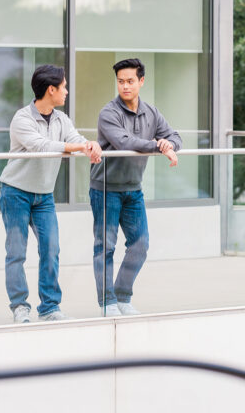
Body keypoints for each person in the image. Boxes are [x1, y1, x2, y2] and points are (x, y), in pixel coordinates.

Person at [0, 64, 101, 323]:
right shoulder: (22, 119)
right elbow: (41, 146)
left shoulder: (61, 119)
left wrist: (88, 145)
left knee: (51, 249)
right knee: (16, 252)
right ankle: (20, 306)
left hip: (44, 196)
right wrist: (77, 147)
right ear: (50, 89)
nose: (66, 91)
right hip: (16, 193)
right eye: (63, 86)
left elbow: (75, 138)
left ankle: (49, 307)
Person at [89, 57, 182, 316]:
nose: (125, 86)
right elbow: (124, 142)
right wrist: (158, 146)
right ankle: (107, 303)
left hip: (133, 189)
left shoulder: (151, 112)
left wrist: (169, 145)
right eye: (121, 82)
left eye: (130, 81)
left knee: (140, 245)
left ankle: (122, 296)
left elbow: (174, 136)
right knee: (105, 247)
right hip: (105, 188)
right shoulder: (109, 113)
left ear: (141, 81)